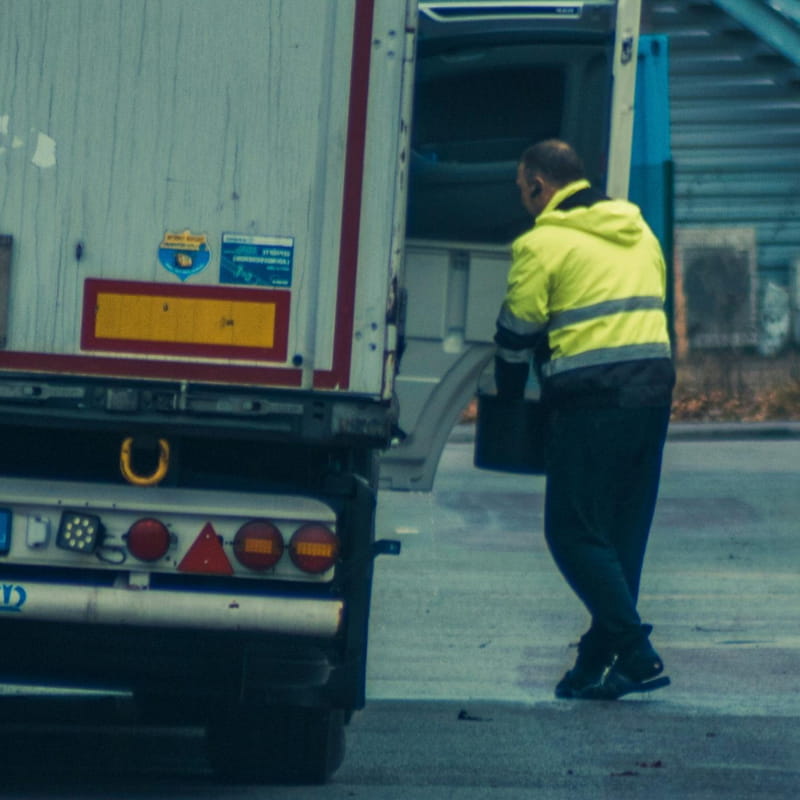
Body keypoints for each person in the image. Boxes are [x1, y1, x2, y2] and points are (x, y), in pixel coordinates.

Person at [494, 139, 675, 700]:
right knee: (621, 539)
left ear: (538, 185)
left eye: (521, 189)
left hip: (592, 403)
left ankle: (637, 653)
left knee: (571, 532)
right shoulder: (638, 229)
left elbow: (517, 331)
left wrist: (508, 395)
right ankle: (595, 664)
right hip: (653, 397)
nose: (521, 200)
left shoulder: (542, 243)